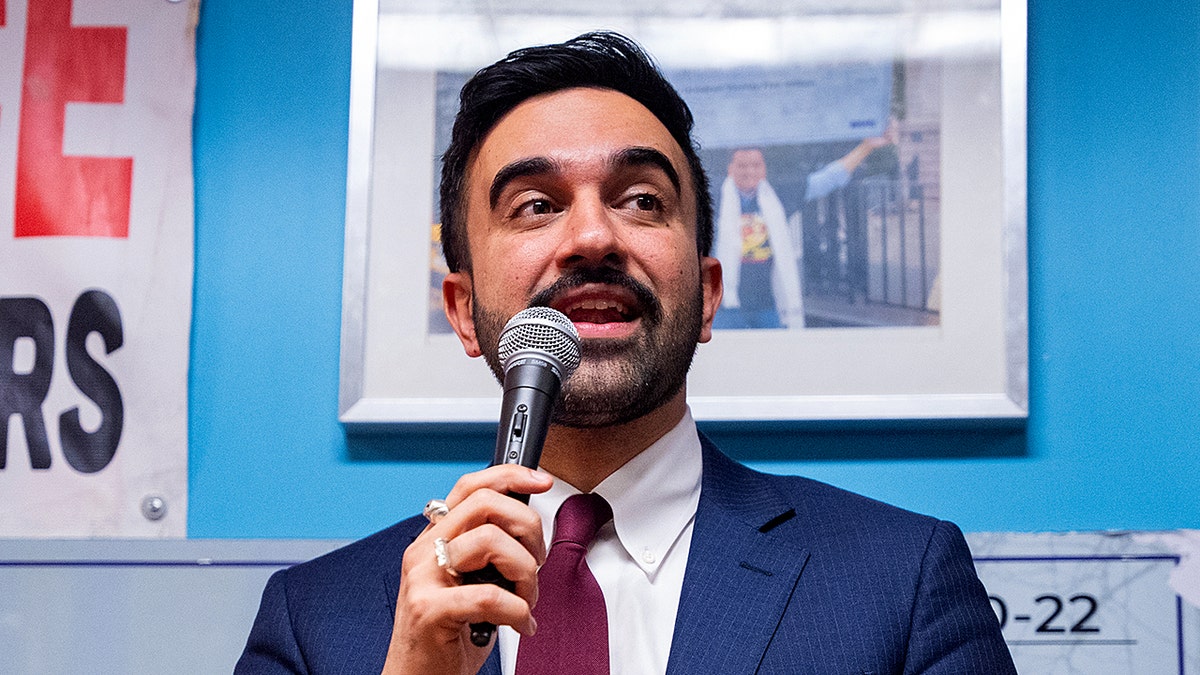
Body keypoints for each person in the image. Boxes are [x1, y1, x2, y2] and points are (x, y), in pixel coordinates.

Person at [236, 32, 1015, 675]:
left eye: (641, 199)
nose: (594, 237)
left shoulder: (902, 583)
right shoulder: (312, 623)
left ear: (708, 293)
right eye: (535, 205)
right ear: (464, 312)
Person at [715, 131, 897, 330]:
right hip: (724, 305)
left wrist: (867, 146)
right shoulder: (713, 197)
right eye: (742, 166)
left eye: (756, 165)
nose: (749, 171)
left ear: (764, 169)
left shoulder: (777, 194)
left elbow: (827, 179)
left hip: (769, 303)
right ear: (730, 169)